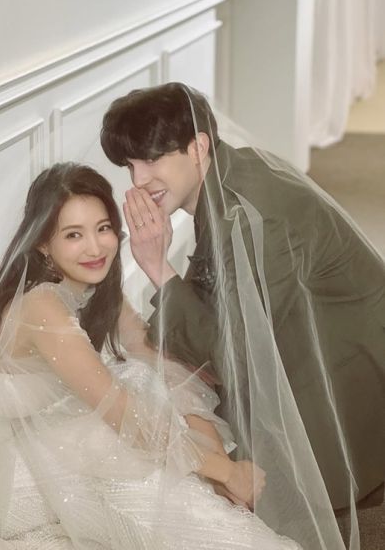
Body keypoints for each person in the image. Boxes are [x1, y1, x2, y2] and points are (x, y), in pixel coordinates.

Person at [0, 162, 301, 550]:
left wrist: (210, 450)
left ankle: (215, 518)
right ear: (43, 244)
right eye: (74, 235)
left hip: (22, 443)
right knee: (112, 437)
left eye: (103, 228)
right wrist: (224, 470)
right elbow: (119, 409)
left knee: (142, 386)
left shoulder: (92, 290)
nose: (95, 247)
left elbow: (156, 360)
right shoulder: (40, 305)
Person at [101, 82, 385, 549]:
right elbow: (221, 293)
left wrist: (156, 266)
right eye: (130, 165)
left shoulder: (251, 215)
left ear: (198, 147)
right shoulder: (230, 175)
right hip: (326, 336)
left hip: (346, 374)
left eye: (151, 160)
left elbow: (234, 354)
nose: (138, 180)